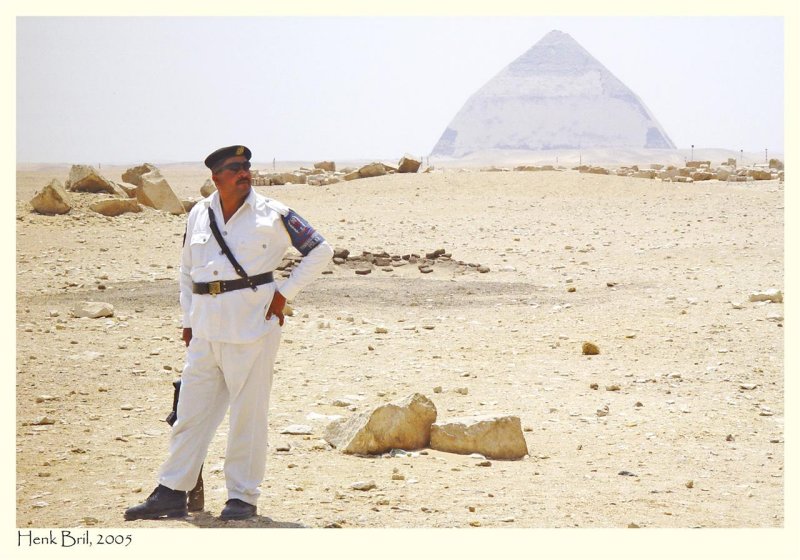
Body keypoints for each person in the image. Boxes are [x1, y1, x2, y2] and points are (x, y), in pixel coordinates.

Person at [125, 145, 333, 521]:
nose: (244, 172)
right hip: (205, 328)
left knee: (247, 415)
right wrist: (188, 321)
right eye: (235, 168)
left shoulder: (275, 213)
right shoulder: (198, 214)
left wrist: (285, 293)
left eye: (246, 166)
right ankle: (172, 491)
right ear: (215, 177)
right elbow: (187, 271)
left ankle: (242, 496)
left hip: (252, 326)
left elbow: (321, 250)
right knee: (191, 413)